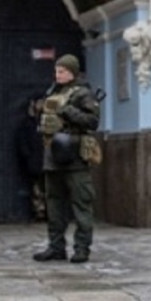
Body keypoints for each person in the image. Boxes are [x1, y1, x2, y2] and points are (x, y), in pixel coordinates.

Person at [31, 54, 101, 265]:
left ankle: (81, 248)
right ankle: (56, 247)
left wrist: (67, 110)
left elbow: (92, 121)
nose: (57, 75)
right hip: (53, 155)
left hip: (74, 157)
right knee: (54, 204)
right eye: (56, 71)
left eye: (61, 71)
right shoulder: (53, 91)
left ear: (72, 72)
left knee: (81, 203)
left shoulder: (83, 94)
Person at [18, 96, 47, 222]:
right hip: (35, 162)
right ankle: (39, 211)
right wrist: (29, 156)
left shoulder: (50, 122)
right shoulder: (28, 124)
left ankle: (51, 212)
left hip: (49, 161)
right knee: (36, 189)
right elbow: (23, 143)